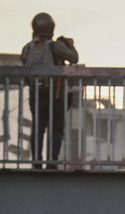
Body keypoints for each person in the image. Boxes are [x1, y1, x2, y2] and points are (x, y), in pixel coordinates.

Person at [21, 12, 79, 168]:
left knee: (38, 127)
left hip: (36, 93)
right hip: (56, 92)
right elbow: (74, 58)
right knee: (56, 127)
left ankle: (36, 161)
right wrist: (69, 45)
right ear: (51, 28)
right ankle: (52, 161)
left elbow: (24, 70)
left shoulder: (27, 48)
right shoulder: (55, 46)